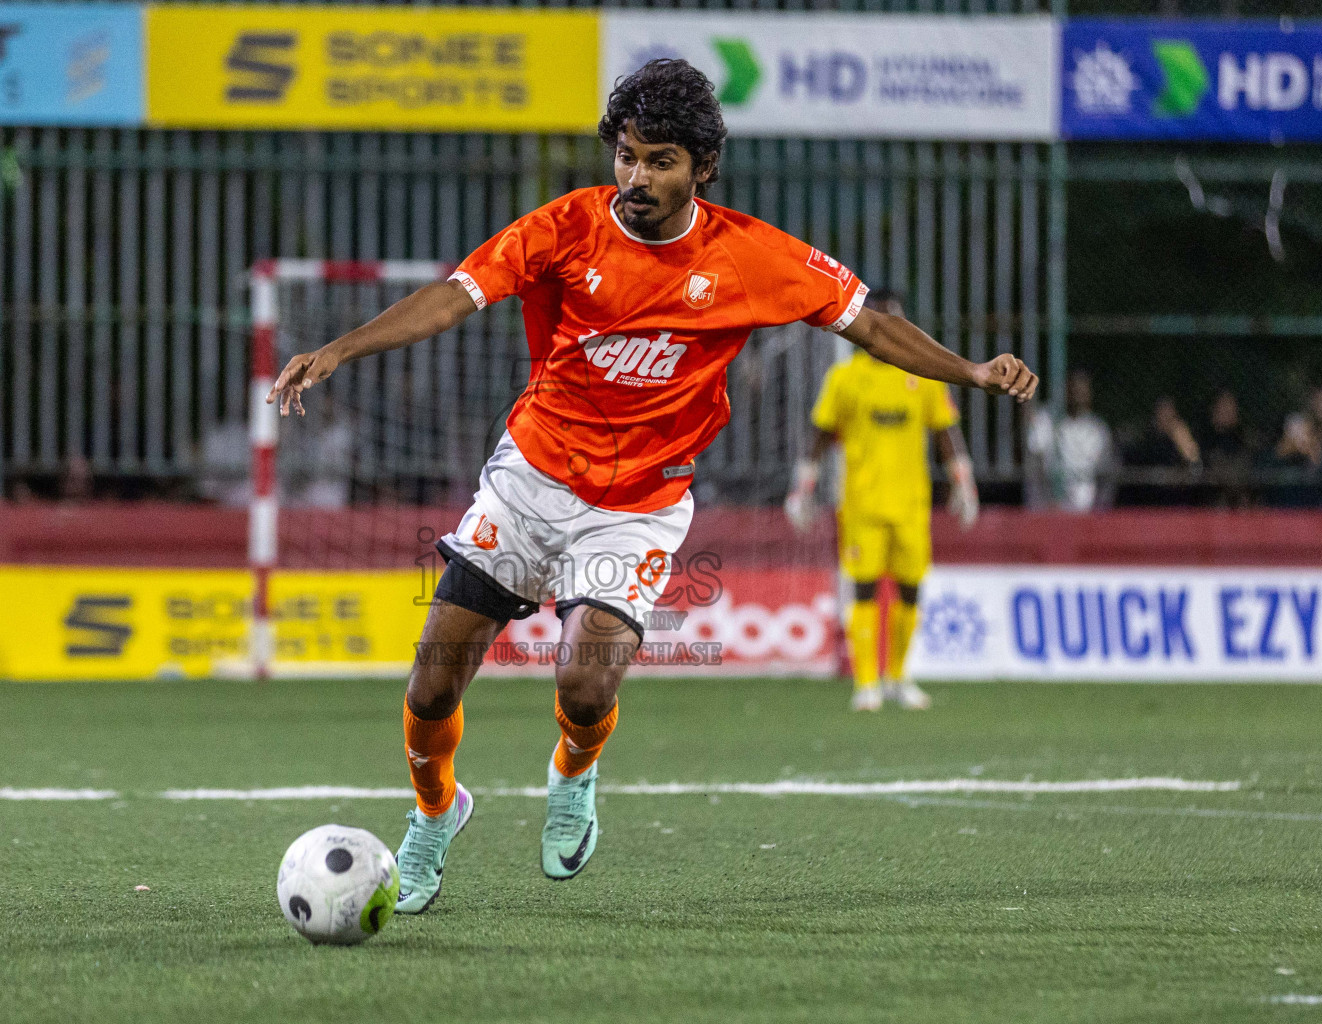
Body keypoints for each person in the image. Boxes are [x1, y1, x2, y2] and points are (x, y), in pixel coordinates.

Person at [267, 59, 1037, 914]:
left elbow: (873, 325)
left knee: (585, 686)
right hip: (530, 478)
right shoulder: (564, 228)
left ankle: (573, 775)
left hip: (638, 505)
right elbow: (453, 297)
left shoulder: (752, 257)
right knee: (431, 685)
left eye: (659, 160)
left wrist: (968, 371)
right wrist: (339, 349)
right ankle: (436, 813)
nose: (635, 177)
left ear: (702, 167)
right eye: (626, 156)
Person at [782, 291, 978, 713]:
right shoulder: (845, 378)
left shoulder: (922, 375)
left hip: (911, 504)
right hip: (862, 505)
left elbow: (946, 431)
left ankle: (899, 677)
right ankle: (866, 681)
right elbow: (820, 435)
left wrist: (964, 481)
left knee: (910, 589)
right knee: (865, 589)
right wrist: (803, 487)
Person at [1024, 369, 1115, 513]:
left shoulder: (1098, 429)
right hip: (1050, 508)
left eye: (1082, 389)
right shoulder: (1046, 420)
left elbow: (1106, 473)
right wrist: (1042, 503)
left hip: (1086, 510)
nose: (1077, 393)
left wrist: (1099, 510)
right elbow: (1034, 463)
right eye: (1074, 388)